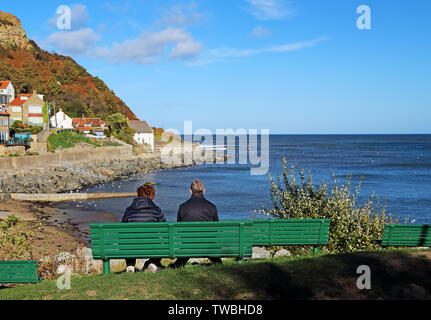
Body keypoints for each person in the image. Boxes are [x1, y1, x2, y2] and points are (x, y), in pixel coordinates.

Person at [170, 179, 222, 268]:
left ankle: (178, 264)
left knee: (187, 244)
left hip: (188, 245)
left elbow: (179, 228)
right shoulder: (212, 207)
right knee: (217, 261)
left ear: (190, 191)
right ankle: (217, 262)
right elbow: (216, 228)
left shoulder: (183, 207)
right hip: (208, 245)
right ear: (204, 191)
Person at [122, 183, 166, 273]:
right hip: (152, 246)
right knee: (162, 241)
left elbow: (122, 230)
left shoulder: (129, 210)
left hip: (131, 247)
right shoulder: (156, 210)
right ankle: (153, 263)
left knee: (128, 239)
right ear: (151, 195)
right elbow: (165, 229)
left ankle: (130, 266)